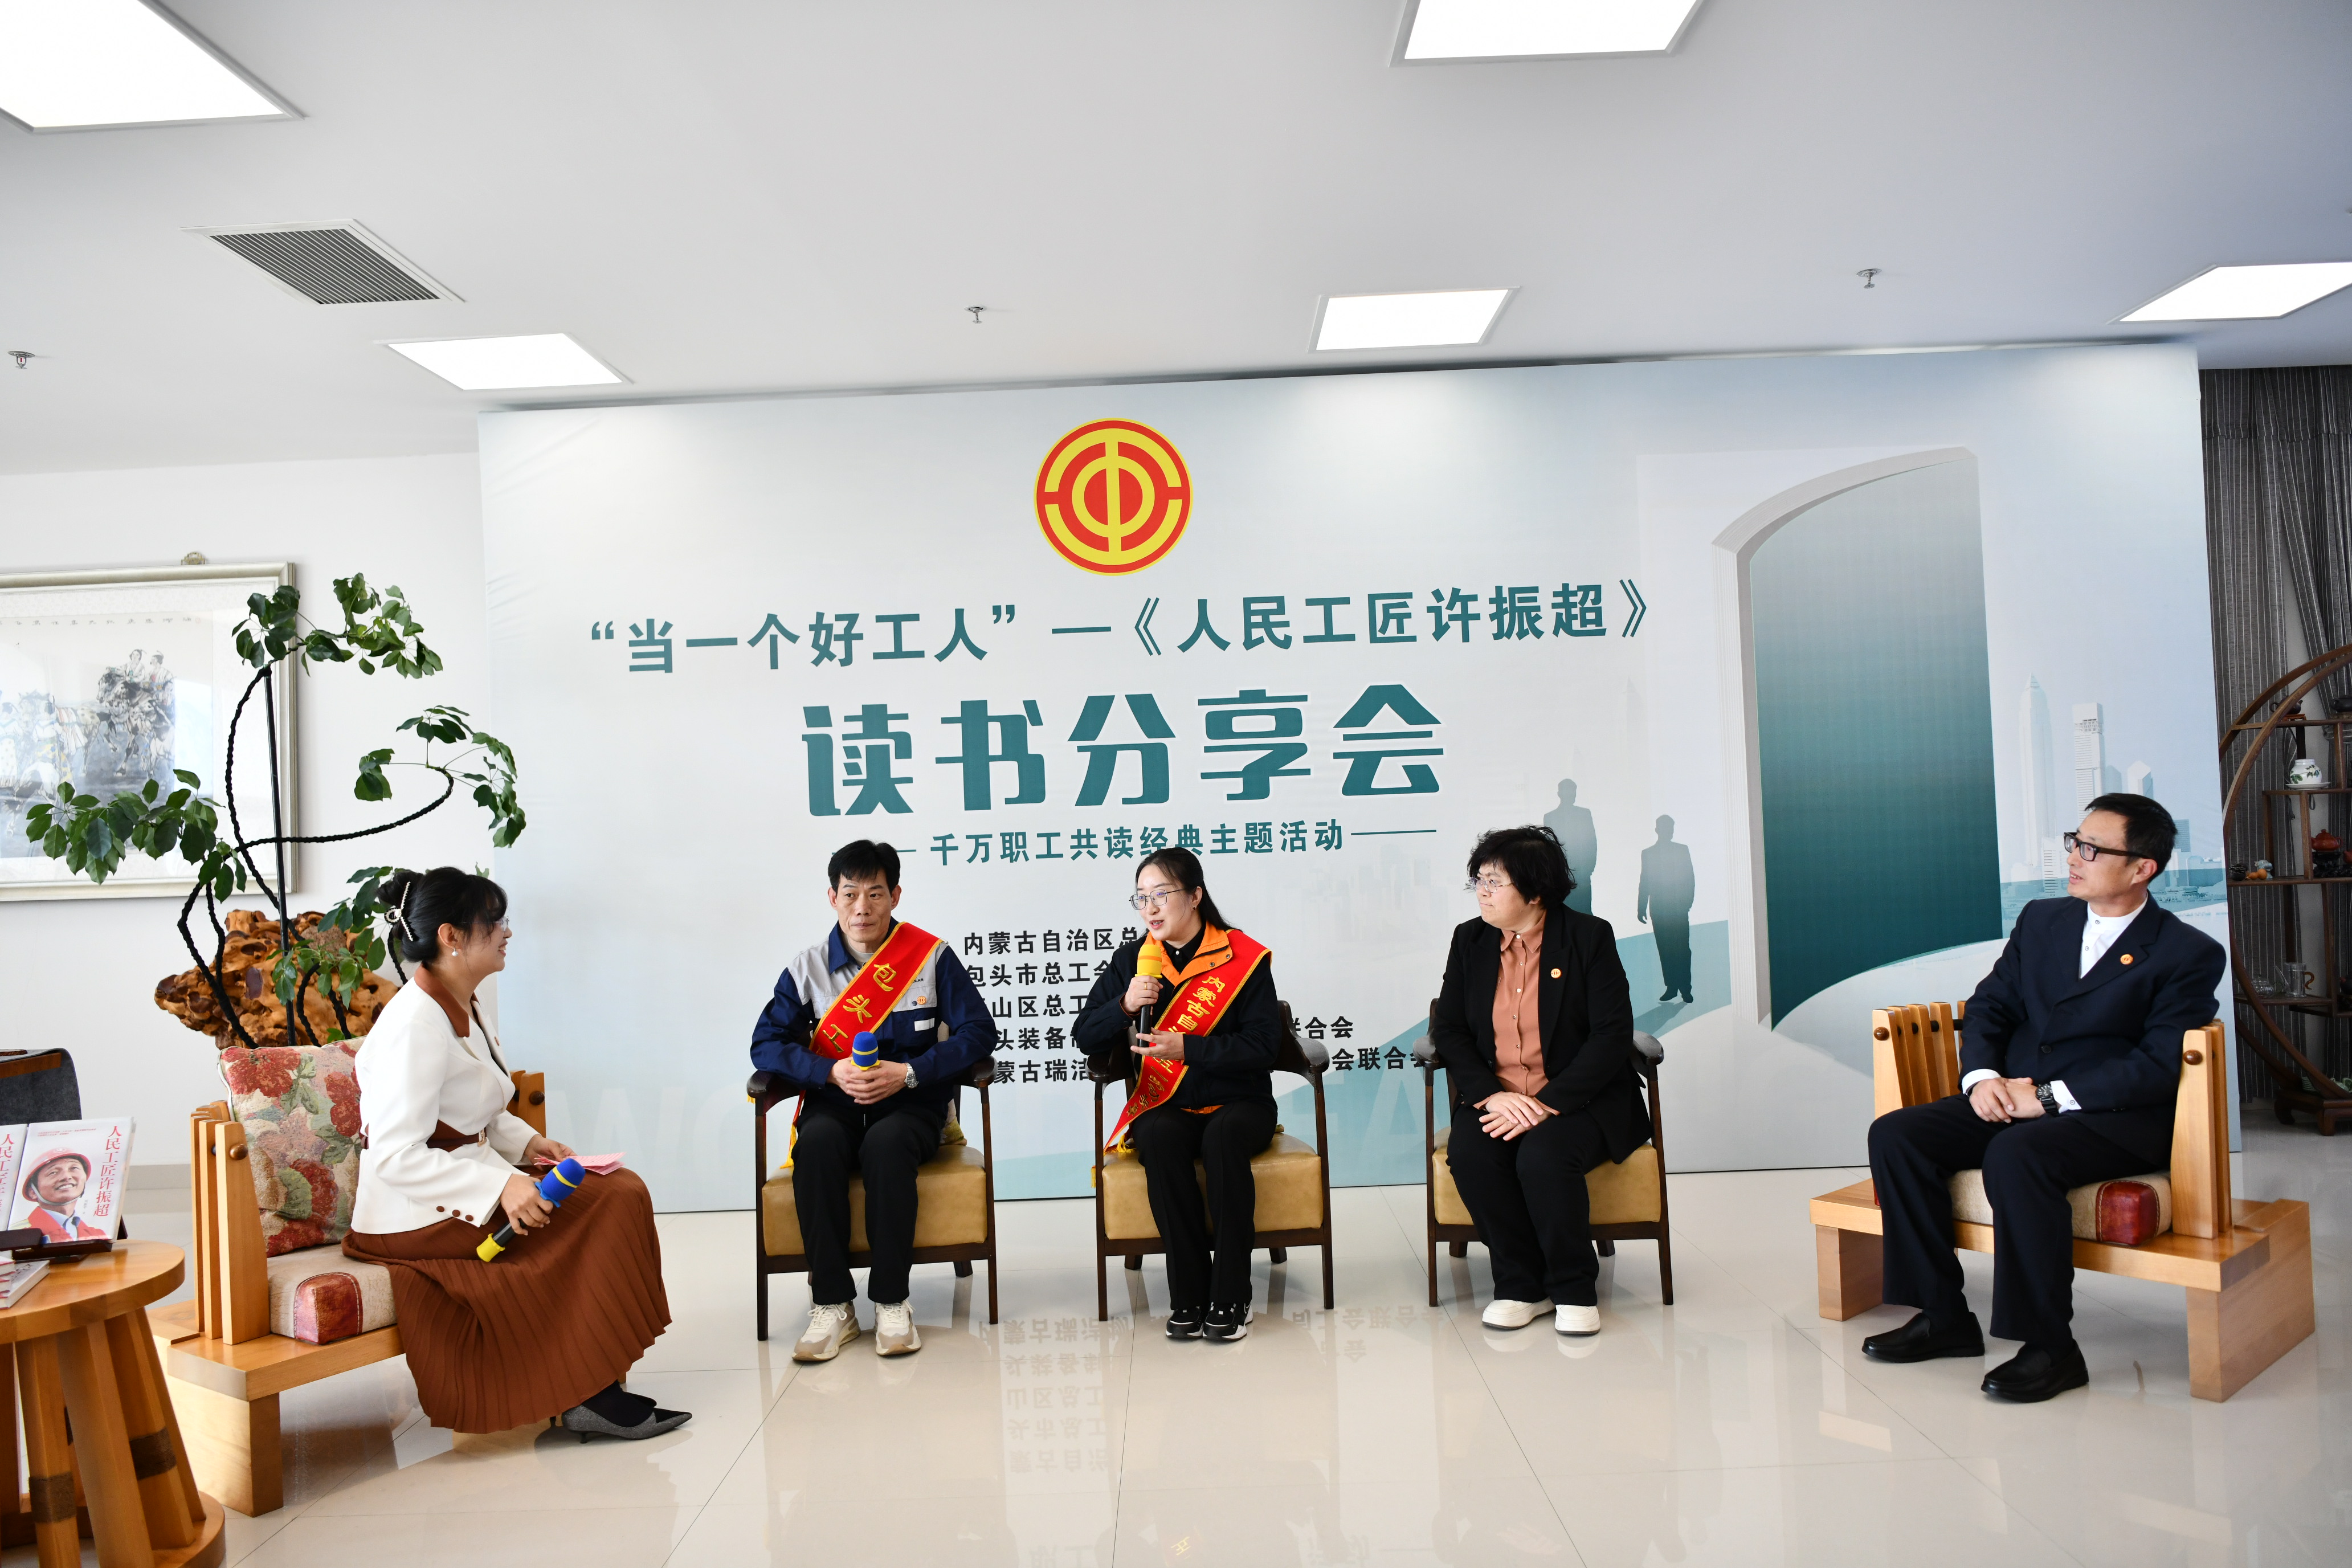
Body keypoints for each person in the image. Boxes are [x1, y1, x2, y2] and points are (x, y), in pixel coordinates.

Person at [1863, 794, 2225, 1402]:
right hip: (2017, 1096)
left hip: (2112, 1117)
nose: (2074, 858)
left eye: (2092, 849)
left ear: (2143, 868)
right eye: (2073, 842)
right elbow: (1991, 1006)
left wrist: (2050, 1098)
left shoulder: (2187, 952)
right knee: (1898, 1134)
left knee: (2019, 1153)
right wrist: (1983, 1077)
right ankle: (1943, 1316)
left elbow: (2157, 1065)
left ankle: (2051, 1348)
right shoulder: (2042, 920)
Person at [342, 867, 684, 1440]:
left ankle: (591, 1384)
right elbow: (395, 1156)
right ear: (451, 936)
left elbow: (469, 1105)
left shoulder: (461, 1003)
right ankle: (587, 1392)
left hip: (457, 1180)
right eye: (494, 922)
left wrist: (528, 1144)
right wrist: (501, 1186)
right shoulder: (414, 1025)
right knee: (608, 1204)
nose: (507, 932)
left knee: (620, 1190)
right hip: (410, 1216)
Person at [749, 839, 995, 1362]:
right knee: (816, 1147)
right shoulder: (808, 967)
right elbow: (766, 1044)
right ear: (833, 899)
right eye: (850, 894)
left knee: (887, 1144)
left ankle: (891, 1301)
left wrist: (910, 1073)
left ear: (895, 896)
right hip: (834, 1104)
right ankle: (832, 1305)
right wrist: (828, 1071)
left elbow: (978, 1032)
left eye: (876, 894)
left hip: (911, 1105)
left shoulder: (931, 957)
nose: (862, 907)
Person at [1431, 825, 1651, 1337]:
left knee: (1544, 1155)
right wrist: (1492, 1096)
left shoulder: (1587, 938)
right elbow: (1450, 1030)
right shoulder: (1470, 940)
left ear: (1534, 891)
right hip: (1499, 1099)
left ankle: (1573, 1288)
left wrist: (1548, 1103)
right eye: (1480, 880)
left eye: (1495, 882)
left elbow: (1611, 1034)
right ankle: (1521, 1285)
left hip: (1581, 1101)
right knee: (1472, 1153)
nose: (1482, 892)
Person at [1074, 847, 1284, 1342]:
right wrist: (1124, 1006)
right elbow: (1085, 1036)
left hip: (1240, 1102)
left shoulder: (1242, 957)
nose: (1150, 908)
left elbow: (1264, 1045)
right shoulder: (1133, 961)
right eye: (1141, 897)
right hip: (1167, 1102)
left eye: (1161, 895)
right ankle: (1188, 1297)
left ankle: (1232, 1296)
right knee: (1159, 1138)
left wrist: (1188, 1048)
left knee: (1224, 1139)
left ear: (1194, 896)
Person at [1637, 815, 1696, 1003]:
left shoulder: (1681, 850)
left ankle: (1685, 988)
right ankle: (1672, 987)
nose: (1669, 831)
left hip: (1678, 908)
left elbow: (1689, 877)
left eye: (1671, 827)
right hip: (1659, 909)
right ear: (1658, 830)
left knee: (1682, 949)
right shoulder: (1648, 853)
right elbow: (1645, 880)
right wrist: (1641, 907)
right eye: (1666, 827)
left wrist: (1687, 903)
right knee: (1665, 949)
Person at [21, 1152, 107, 1243]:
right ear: (33, 1192)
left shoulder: (97, 1235)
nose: (67, 1177)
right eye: (53, 1173)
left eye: (74, 1168)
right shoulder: (20, 1234)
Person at [1544, 779, 1598, 915]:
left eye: (1573, 792)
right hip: (1560, 873)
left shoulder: (1584, 814)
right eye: (1568, 792)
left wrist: (1589, 868)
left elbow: (1592, 842)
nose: (1572, 795)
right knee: (1563, 910)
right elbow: (1549, 847)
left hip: (1582, 873)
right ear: (1559, 794)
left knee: (1584, 910)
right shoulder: (1550, 817)